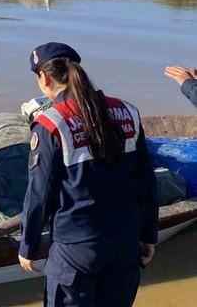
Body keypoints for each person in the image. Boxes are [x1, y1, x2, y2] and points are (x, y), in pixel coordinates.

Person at [19, 43, 158, 307]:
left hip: (75, 250)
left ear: (44, 78)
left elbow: (40, 194)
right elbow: (147, 181)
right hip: (124, 243)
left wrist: (28, 246)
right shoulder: (127, 112)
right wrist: (149, 235)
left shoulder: (51, 123)